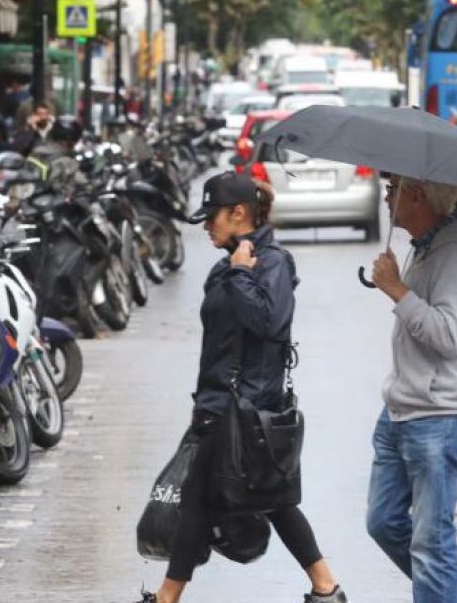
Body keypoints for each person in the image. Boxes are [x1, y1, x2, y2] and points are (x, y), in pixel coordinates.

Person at [141, 171, 347, 603]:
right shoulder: (224, 266)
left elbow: (269, 323)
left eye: (211, 216)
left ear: (238, 213)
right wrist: (203, 400)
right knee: (269, 498)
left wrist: (238, 276)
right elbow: (218, 341)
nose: (206, 226)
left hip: (245, 405)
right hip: (219, 401)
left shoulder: (273, 262)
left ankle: (167, 597)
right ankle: (326, 586)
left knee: (198, 496)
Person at [367, 175, 457, 603]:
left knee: (430, 543)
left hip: (441, 414)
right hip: (403, 408)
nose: (387, 197)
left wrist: (396, 289)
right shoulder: (425, 247)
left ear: (416, 195)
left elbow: (446, 335)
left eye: (393, 189)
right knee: (384, 522)